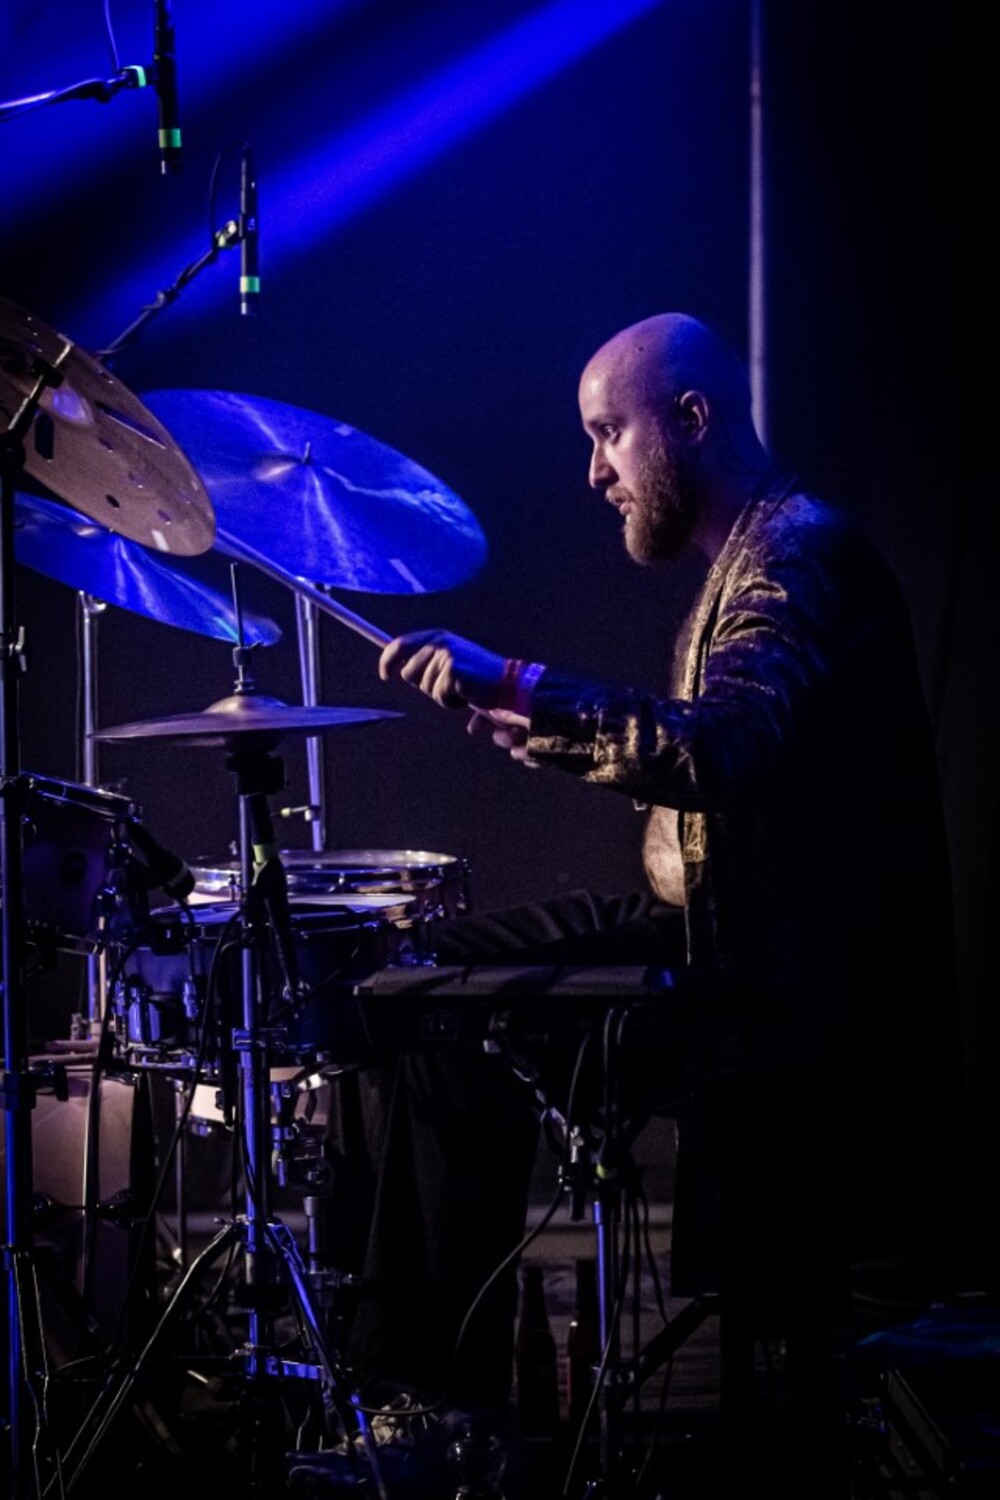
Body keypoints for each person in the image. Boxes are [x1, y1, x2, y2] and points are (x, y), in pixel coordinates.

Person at [323, 313, 967, 1486]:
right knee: (411, 992)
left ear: (692, 418)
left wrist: (523, 681)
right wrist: (533, 722)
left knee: (437, 1016)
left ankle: (438, 1417)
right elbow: (711, 758)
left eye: (607, 434)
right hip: (726, 937)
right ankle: (418, 1398)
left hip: (775, 977)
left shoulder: (798, 554)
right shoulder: (754, 553)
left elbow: (723, 746)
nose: (594, 473)